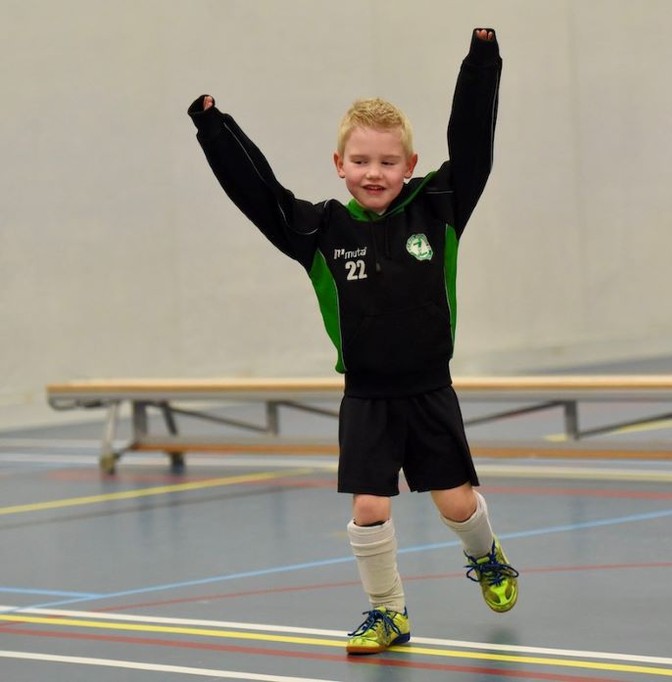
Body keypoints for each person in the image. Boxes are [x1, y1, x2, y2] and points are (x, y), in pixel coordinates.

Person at [187, 28, 517, 655]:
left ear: (409, 166)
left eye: (388, 162)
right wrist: (214, 128)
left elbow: (474, 143)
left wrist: (481, 61)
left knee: (456, 503)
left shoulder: (439, 208)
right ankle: (388, 613)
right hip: (365, 395)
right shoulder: (319, 230)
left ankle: (487, 555)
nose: (374, 173)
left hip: (429, 390)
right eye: (360, 161)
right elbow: (259, 195)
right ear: (339, 164)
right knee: (369, 506)